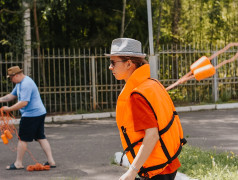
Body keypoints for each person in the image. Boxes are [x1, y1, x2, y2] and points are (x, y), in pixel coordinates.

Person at [106, 38, 186, 180]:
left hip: (158, 170)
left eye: (113, 62)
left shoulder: (138, 95)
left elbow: (152, 135)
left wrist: (131, 172)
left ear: (129, 63)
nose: (110, 67)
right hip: (168, 163)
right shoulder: (151, 84)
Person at [0, 66, 56, 170]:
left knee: (22, 139)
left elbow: (23, 103)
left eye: (11, 78)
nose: (11, 80)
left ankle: (18, 163)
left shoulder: (26, 83)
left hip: (32, 115)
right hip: (39, 113)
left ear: (16, 75)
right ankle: (51, 161)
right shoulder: (19, 83)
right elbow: (11, 96)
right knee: (41, 137)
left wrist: (9, 109)